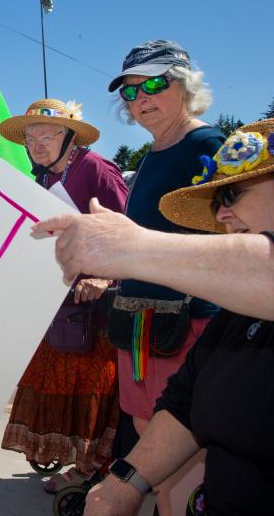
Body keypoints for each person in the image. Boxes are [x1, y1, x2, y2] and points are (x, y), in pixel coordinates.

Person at [37, 119, 274, 515]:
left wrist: (129, 247)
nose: (223, 216)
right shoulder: (237, 316)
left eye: (231, 194)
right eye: (217, 204)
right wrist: (123, 485)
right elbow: (185, 402)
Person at [0, 99, 128, 492]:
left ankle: (94, 472)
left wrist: (105, 278)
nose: (38, 143)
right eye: (31, 137)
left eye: (48, 134)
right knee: (56, 384)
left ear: (70, 137)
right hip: (59, 305)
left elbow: (131, 230)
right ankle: (80, 466)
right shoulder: (40, 179)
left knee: (94, 395)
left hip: (97, 310)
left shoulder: (96, 169)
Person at [105, 40, 225, 435]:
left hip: (190, 323)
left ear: (185, 86)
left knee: (180, 445)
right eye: (131, 91)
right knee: (147, 437)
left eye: (155, 85)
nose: (141, 99)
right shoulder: (152, 153)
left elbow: (234, 233)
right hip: (142, 323)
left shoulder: (207, 145)